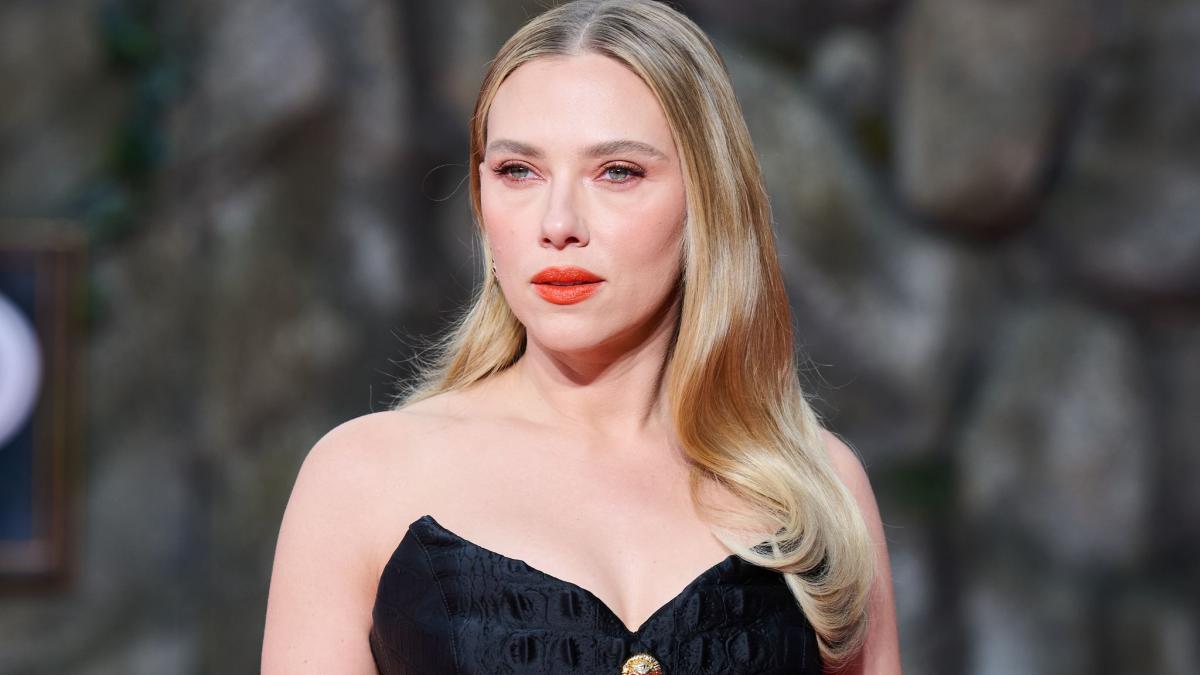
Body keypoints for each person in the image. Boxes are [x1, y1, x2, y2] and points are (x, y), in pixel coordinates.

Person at [262, 0, 901, 673]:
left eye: (617, 171)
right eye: (518, 171)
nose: (558, 223)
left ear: (708, 198)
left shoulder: (817, 490)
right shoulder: (363, 481)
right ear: (481, 198)